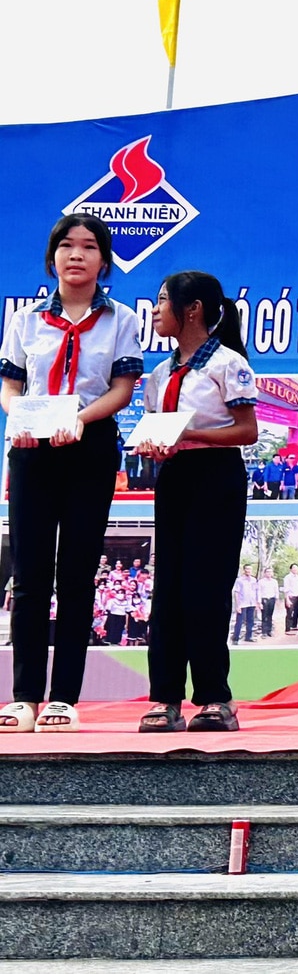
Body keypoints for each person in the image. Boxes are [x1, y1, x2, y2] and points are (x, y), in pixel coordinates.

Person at [0, 215, 144, 732]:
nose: (76, 254)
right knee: (31, 573)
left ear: (104, 260)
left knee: (78, 573)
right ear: (52, 256)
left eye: (88, 247)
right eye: (66, 245)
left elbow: (122, 390)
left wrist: (77, 421)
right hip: (33, 450)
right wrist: (21, 420)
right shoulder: (25, 320)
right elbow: (10, 387)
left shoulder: (121, 319)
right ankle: (23, 697)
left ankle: (63, 696)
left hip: (90, 446)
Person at [135, 272, 259, 731]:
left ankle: (213, 697)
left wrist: (190, 435)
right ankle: (164, 696)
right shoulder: (160, 373)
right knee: (168, 589)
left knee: (206, 588)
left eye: (162, 301)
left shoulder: (229, 365)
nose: (154, 310)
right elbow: (155, 426)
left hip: (217, 476)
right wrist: (154, 444)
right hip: (174, 478)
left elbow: (248, 432)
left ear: (193, 309)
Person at [231, 565, 259, 644]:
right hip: (242, 604)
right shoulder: (239, 580)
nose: (248, 570)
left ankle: (248, 636)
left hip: (251, 603)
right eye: (247, 569)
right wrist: (237, 605)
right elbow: (236, 592)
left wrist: (257, 602)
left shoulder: (254, 580)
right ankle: (235, 638)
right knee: (239, 621)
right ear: (244, 570)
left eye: (250, 569)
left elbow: (256, 591)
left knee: (250, 621)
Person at [283, 564, 298, 632]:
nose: (295, 569)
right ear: (291, 569)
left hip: (297, 597)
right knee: (289, 613)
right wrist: (287, 599)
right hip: (290, 597)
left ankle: (294, 626)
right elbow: (286, 589)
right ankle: (287, 629)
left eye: (296, 568)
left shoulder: (297, 577)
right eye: (294, 568)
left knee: (296, 612)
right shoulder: (287, 577)